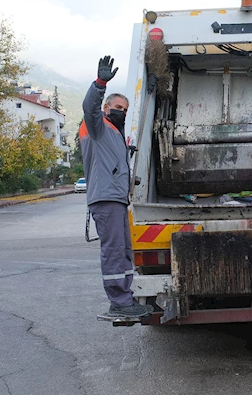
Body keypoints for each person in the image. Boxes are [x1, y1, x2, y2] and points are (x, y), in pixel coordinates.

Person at [80, 55, 152, 318]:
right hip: (106, 199)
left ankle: (124, 299)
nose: (122, 110)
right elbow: (89, 107)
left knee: (122, 251)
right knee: (113, 251)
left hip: (116, 200)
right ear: (107, 108)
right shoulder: (97, 126)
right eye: (118, 106)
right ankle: (119, 302)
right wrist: (100, 83)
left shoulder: (115, 134)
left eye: (126, 107)